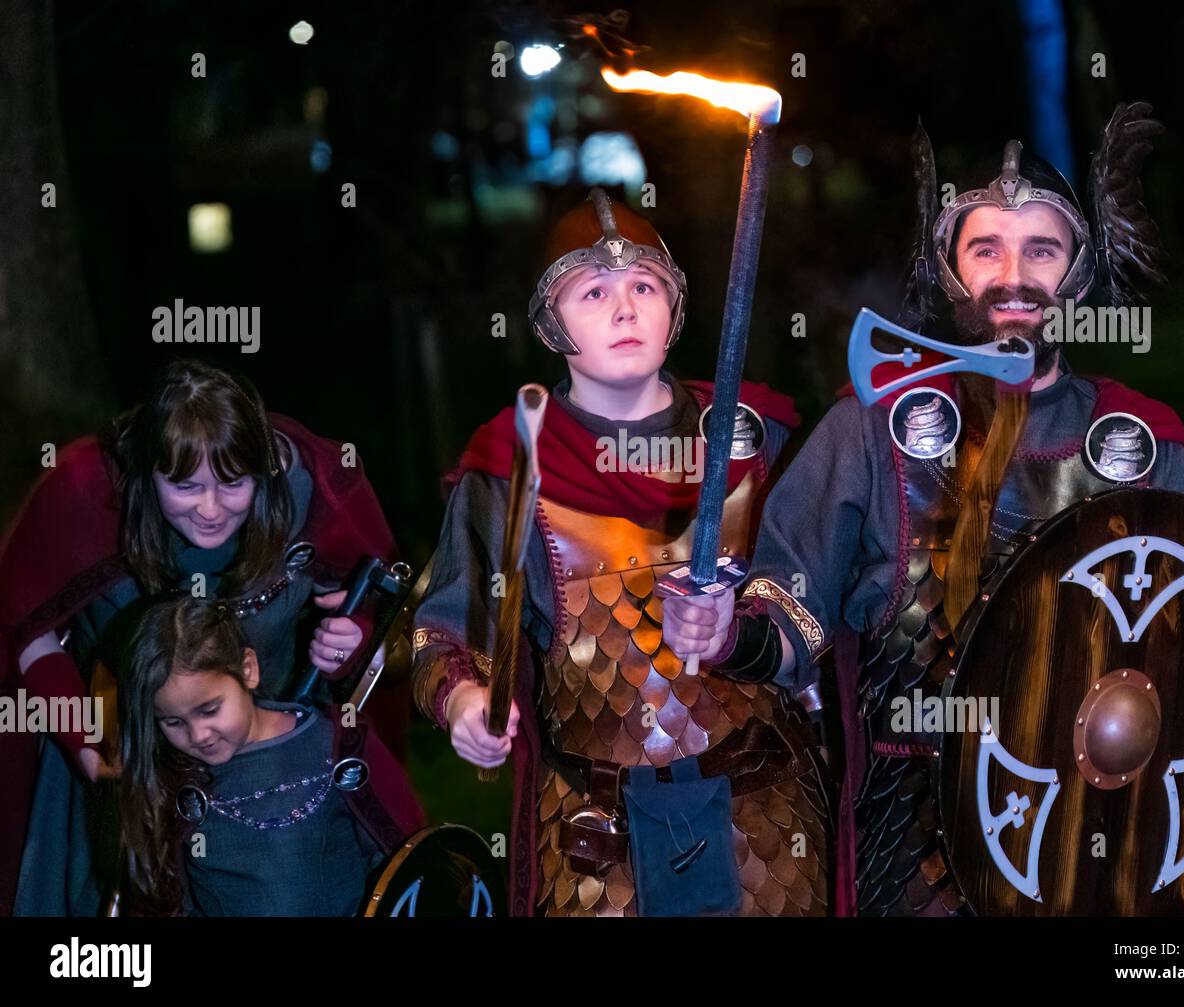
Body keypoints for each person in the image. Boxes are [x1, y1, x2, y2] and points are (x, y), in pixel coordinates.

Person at [662, 104, 1184, 915]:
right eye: (986, 249)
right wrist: (731, 631)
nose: (1014, 275)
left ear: (1080, 277)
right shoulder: (871, 430)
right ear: (951, 272)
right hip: (915, 849)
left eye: (1042, 250)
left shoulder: (1141, 443)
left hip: (1107, 837)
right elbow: (792, 600)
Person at [411, 187, 831, 916]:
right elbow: (442, 630)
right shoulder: (511, 468)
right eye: (593, 291)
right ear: (551, 324)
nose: (625, 308)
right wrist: (462, 702)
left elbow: (817, 606)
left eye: (646, 286)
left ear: (676, 308)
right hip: (596, 838)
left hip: (766, 822)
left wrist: (757, 627)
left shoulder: (757, 440)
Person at [0, 359, 397, 915]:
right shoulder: (84, 493)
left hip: (277, 748)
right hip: (125, 749)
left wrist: (350, 635)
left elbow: (374, 609)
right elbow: (25, 631)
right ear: (146, 474)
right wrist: (90, 752)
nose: (210, 510)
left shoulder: (316, 485)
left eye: (234, 484)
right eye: (184, 486)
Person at [117, 596, 423, 915]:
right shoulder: (175, 779)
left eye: (209, 710)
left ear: (248, 670)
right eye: (173, 722)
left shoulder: (339, 747)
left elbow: (407, 862)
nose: (198, 735)